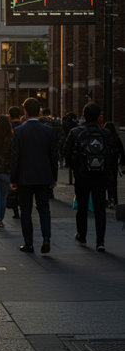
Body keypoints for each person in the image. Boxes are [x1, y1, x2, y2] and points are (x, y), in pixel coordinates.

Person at [64, 103, 117, 251]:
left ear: (84, 115)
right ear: (99, 117)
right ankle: (100, 241)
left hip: (82, 176)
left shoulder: (75, 132)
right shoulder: (106, 133)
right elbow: (113, 154)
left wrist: (75, 166)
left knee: (82, 207)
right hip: (100, 176)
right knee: (100, 209)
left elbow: (66, 153)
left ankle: (82, 234)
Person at [10, 97, 58, 254]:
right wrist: (54, 177)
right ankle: (46, 238)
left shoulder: (19, 132)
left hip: (24, 177)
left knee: (26, 210)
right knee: (44, 208)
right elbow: (53, 156)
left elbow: (15, 157)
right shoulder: (48, 131)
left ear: (25, 111)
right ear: (39, 112)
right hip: (44, 176)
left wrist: (13, 179)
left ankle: (28, 243)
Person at [103, 122, 125, 208]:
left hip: (104, 163)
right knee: (113, 183)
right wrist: (122, 163)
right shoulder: (116, 138)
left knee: (104, 182)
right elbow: (122, 152)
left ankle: (105, 201)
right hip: (113, 163)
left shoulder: (103, 137)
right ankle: (114, 200)